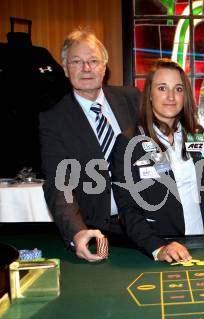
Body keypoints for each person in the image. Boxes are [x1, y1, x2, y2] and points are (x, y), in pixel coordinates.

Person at [40, 28, 140, 262]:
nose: (86, 68)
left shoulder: (133, 99)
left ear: (104, 66)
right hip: (98, 233)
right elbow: (60, 182)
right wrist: (77, 231)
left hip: (146, 224)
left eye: (93, 61)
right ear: (65, 69)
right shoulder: (53, 120)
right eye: (77, 61)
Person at [111, 59, 204, 262]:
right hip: (163, 249)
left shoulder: (196, 134)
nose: (171, 96)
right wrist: (159, 247)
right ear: (149, 95)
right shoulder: (129, 141)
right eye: (162, 88)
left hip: (201, 243)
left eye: (178, 89)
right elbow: (128, 210)